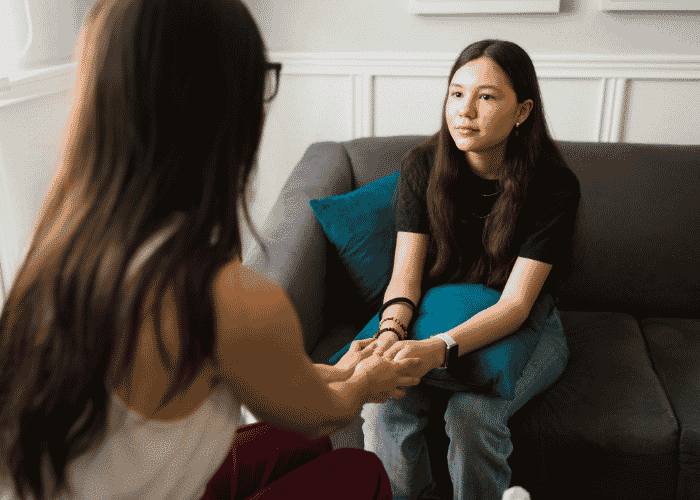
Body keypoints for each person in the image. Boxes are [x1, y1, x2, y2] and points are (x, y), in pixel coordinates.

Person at [0, 1, 423, 499]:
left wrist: (341, 369)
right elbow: (322, 413)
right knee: (358, 473)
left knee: (301, 447)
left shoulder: (64, 240)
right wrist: (367, 383)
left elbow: (272, 382)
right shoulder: (222, 294)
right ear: (221, 105)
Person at [360, 39, 581, 500]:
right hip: (437, 315)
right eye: (456, 94)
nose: (465, 111)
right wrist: (390, 336)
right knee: (384, 407)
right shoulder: (421, 165)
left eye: (486, 97)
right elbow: (406, 276)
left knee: (472, 415)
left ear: (521, 112)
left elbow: (517, 304)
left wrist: (436, 350)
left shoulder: (554, 185)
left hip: (525, 325)